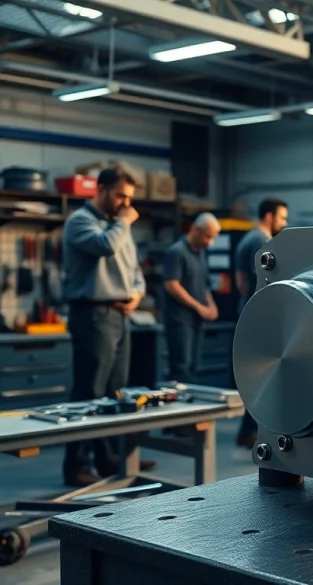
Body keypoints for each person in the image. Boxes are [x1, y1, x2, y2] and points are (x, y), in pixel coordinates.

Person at [61, 167, 155, 487]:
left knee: (116, 392)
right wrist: (125, 222)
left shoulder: (119, 226)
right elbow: (105, 246)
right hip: (92, 315)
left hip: (120, 317)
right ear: (100, 190)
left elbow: (134, 271)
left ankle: (109, 458)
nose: (126, 203)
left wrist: (137, 294)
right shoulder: (80, 222)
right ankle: (76, 465)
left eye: (130, 198)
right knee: (89, 391)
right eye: (120, 196)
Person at [233, 198, 288, 448]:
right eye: (282, 218)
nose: (284, 223)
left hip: (249, 313)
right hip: (261, 317)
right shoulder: (261, 242)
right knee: (265, 375)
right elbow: (268, 284)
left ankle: (248, 430)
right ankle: (251, 431)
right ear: (269, 216)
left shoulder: (247, 239)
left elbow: (241, 282)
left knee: (257, 374)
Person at [163, 213, 222, 382]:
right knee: (182, 366)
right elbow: (171, 285)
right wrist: (199, 307)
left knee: (194, 366)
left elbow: (204, 285)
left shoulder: (200, 253)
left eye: (214, 237)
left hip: (197, 320)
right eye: (208, 236)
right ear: (195, 230)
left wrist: (211, 306)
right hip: (180, 320)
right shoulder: (177, 252)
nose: (210, 242)